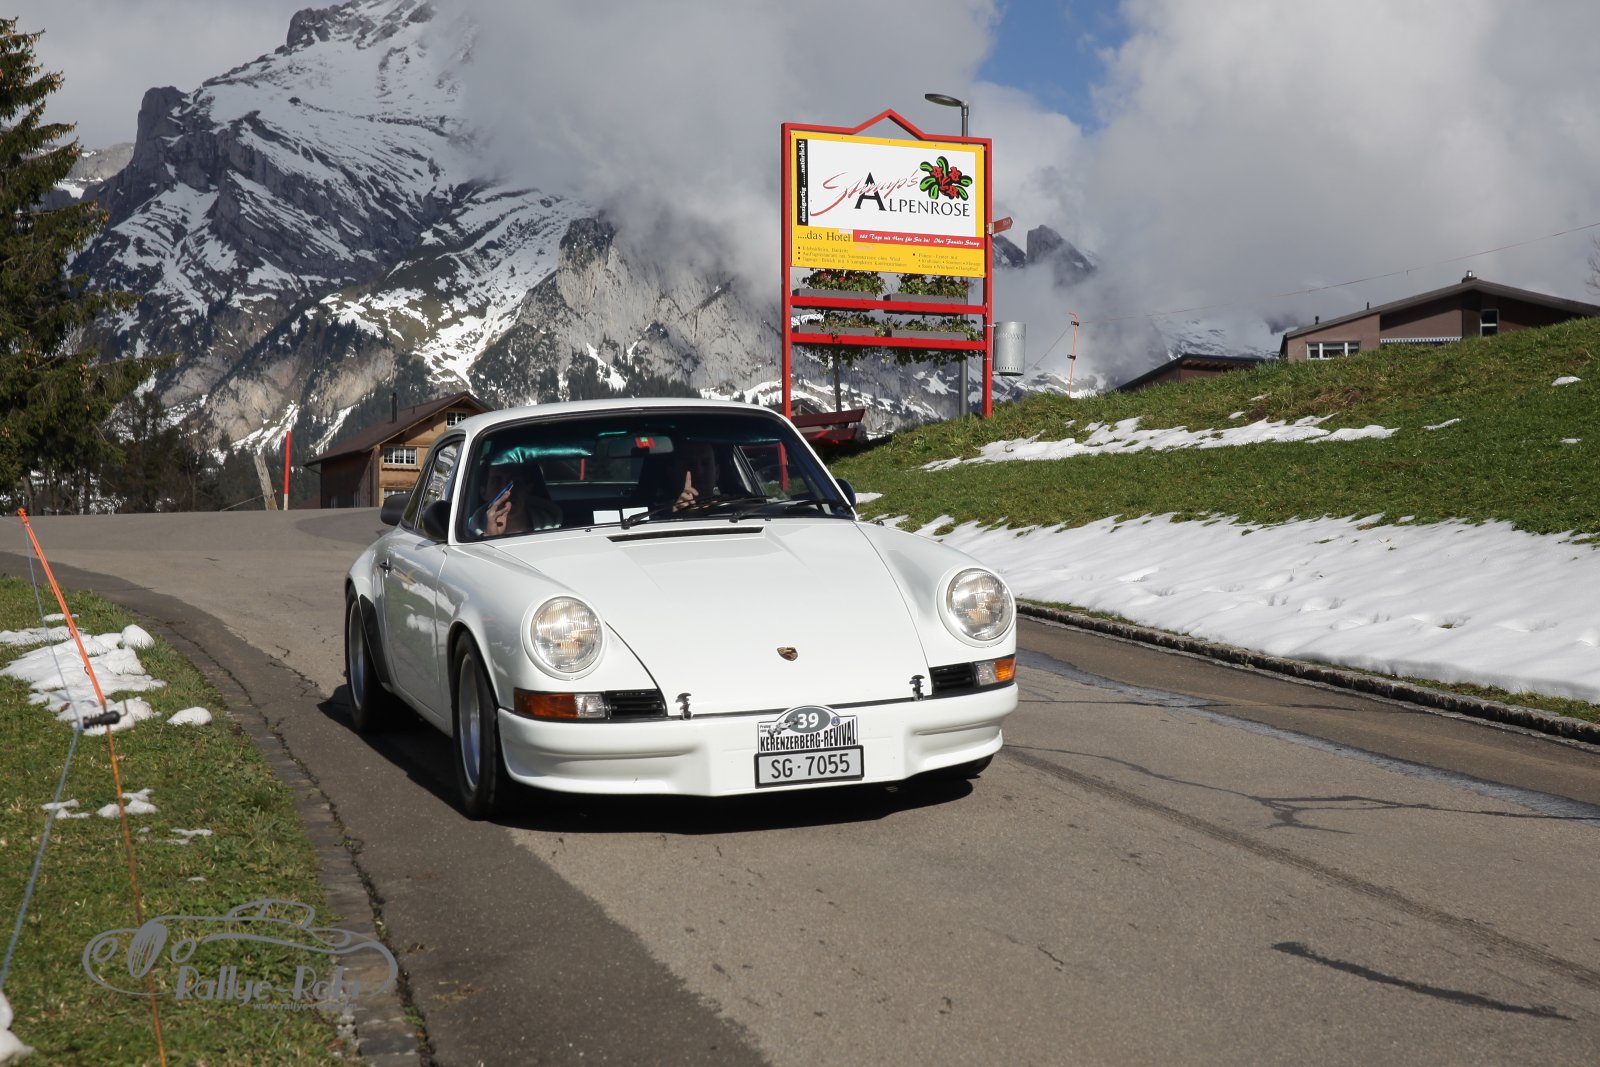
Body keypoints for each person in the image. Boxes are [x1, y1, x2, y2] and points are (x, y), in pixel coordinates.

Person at [470, 460, 561, 537]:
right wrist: (490, 537)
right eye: (496, 481)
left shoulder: (559, 533)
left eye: (514, 481)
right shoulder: (466, 537)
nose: (506, 492)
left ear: (528, 488)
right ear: (483, 492)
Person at [667, 441, 720, 511]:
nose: (699, 471)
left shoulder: (730, 508)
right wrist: (677, 515)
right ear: (672, 473)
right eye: (689, 464)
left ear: (717, 472)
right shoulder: (658, 515)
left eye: (705, 463)